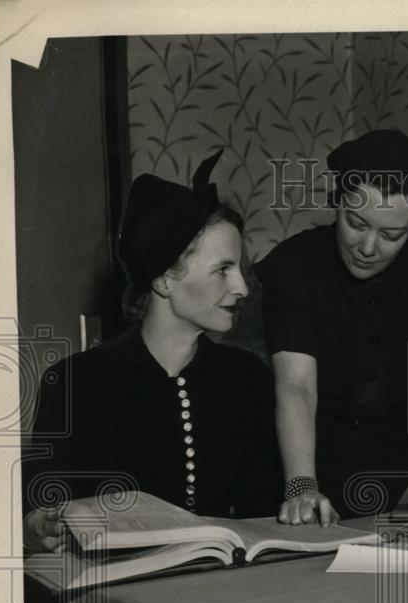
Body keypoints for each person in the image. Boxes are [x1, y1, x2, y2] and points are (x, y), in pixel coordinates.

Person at [23, 150, 283, 552]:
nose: (242, 288)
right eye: (223, 270)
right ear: (163, 279)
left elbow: (262, 513)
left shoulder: (246, 378)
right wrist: (41, 526)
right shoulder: (75, 382)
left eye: (240, 269)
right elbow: (39, 513)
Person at [254, 129, 408, 524]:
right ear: (337, 205)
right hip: (312, 460)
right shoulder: (294, 266)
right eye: (356, 223)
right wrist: (302, 487)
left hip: (404, 466)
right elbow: (297, 387)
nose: (368, 247)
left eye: (390, 235)